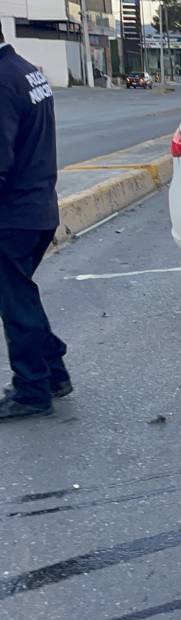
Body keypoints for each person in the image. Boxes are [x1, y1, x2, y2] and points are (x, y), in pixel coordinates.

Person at [0, 22, 71, 422]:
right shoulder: (26, 71)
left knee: (16, 306)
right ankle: (54, 373)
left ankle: (31, 391)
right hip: (39, 209)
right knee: (20, 299)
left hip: (12, 218)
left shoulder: (1, 82)